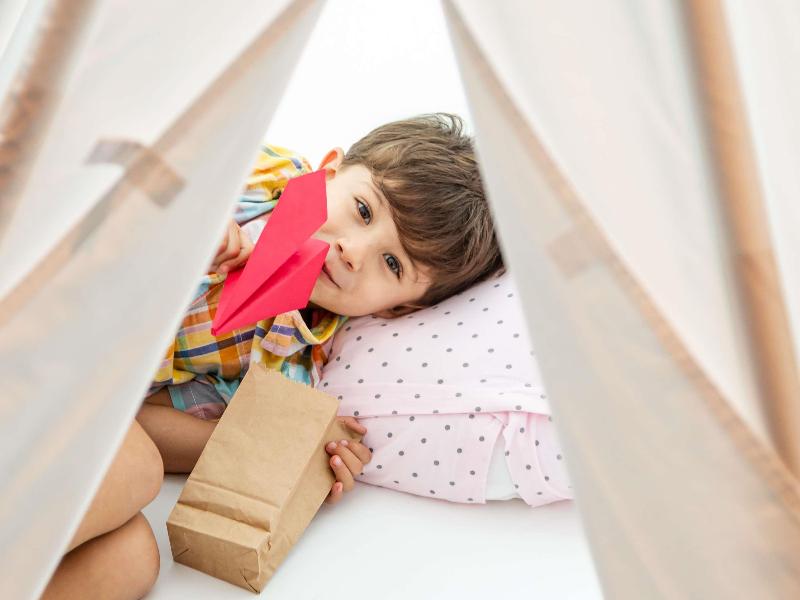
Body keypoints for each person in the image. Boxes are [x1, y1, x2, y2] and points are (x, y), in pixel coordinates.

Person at [137, 113, 504, 505]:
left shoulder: (284, 368)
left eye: (392, 263)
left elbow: (136, 422)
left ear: (399, 308)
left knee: (137, 479)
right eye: (364, 210)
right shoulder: (259, 176)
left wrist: (276, 449)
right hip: (97, 270)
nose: (353, 253)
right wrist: (190, 213)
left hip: (95, 388)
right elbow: (136, 158)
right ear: (329, 171)